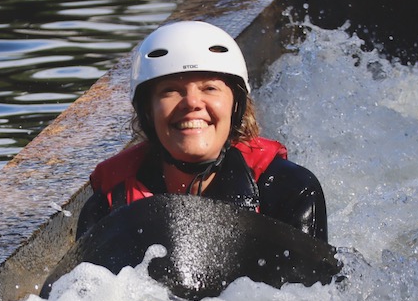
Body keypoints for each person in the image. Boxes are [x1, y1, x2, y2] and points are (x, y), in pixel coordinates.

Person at [77, 20, 328, 242]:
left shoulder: (290, 191)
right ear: (147, 112)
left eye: (209, 88)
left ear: (236, 106)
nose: (192, 103)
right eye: (170, 91)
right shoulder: (109, 203)